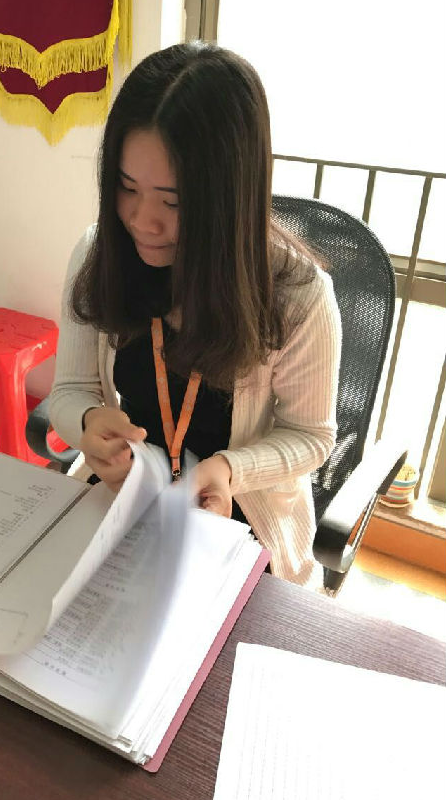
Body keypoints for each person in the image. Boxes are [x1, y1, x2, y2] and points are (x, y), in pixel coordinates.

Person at [48, 42, 341, 588]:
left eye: (174, 201)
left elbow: (311, 436)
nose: (143, 221)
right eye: (127, 188)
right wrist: (88, 423)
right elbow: (70, 390)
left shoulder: (296, 296)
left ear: (231, 197)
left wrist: (230, 469)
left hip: (236, 518)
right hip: (125, 498)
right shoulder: (101, 254)